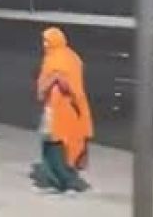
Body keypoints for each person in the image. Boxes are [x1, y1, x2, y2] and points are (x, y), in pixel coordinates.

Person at [30, 26, 93, 193]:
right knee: (49, 143)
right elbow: (44, 82)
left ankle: (68, 182)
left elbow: (72, 86)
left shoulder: (68, 58)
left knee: (62, 146)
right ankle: (54, 182)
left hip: (66, 109)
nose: (45, 44)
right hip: (52, 108)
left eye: (47, 41)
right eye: (44, 41)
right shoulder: (50, 58)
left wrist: (56, 78)